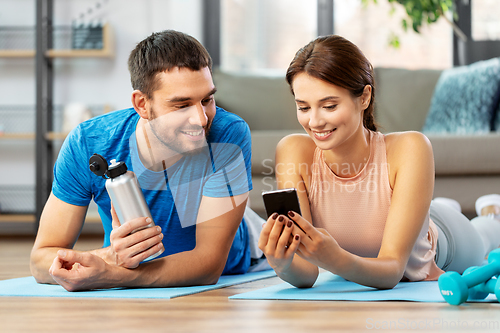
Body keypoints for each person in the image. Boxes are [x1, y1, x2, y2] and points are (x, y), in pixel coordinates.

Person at [258, 35, 500, 289]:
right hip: (387, 237)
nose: (315, 122)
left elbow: (393, 270)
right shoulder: (293, 151)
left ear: (364, 98)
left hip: (444, 242)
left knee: (484, 237)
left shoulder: (410, 148)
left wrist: (335, 258)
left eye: (329, 106)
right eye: (304, 108)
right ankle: (434, 206)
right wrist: (282, 264)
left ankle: (492, 214)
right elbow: (307, 273)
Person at [30, 30, 264, 292]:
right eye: (182, 105)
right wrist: (108, 258)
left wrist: (112, 275)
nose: (201, 119)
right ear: (142, 104)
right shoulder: (88, 143)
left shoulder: (229, 133)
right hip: (133, 265)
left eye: (207, 100)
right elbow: (41, 259)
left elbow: (209, 265)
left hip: (239, 258)